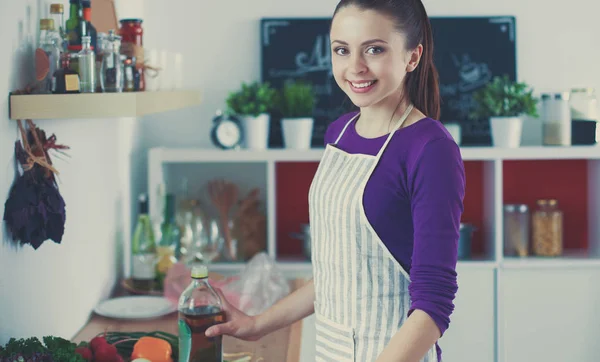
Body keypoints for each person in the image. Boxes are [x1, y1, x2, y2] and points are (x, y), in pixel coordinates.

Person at [206, 0, 466, 361]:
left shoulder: (431, 149)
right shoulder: (339, 132)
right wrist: (257, 325)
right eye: (342, 50)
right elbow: (338, 276)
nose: (355, 67)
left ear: (412, 56)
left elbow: (434, 304)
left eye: (374, 49)